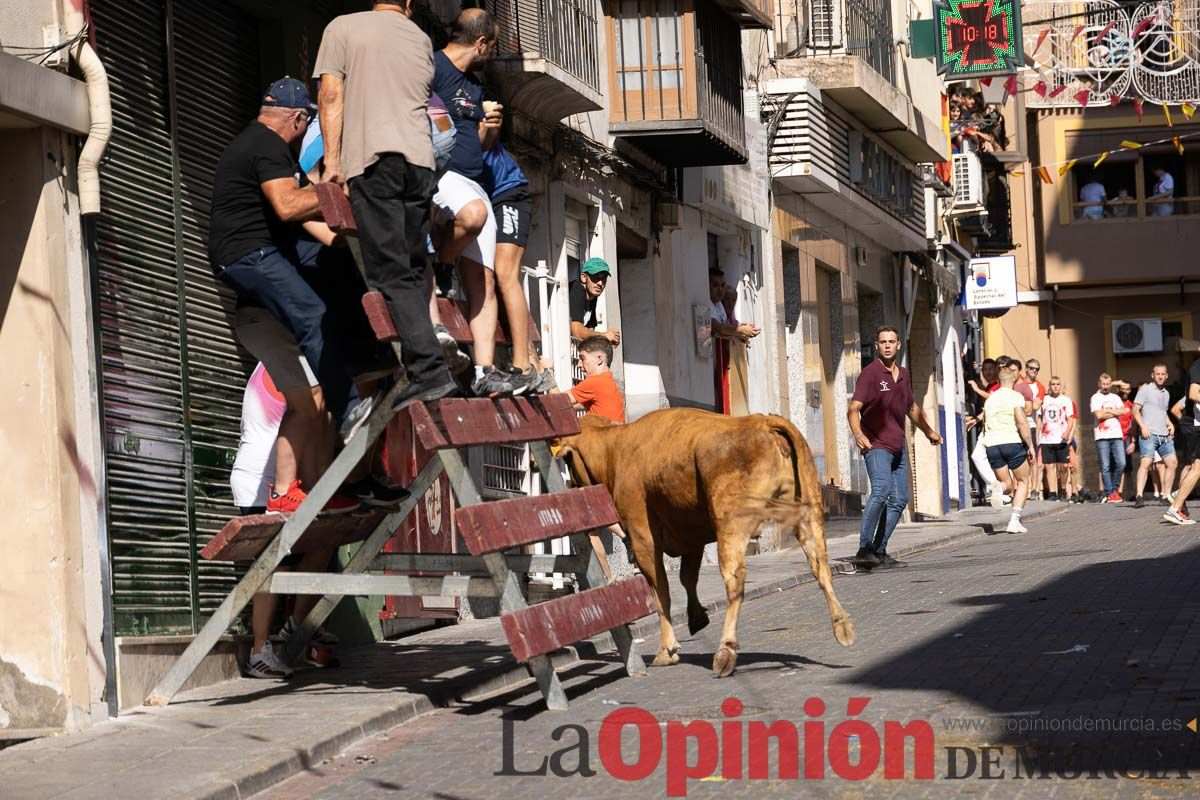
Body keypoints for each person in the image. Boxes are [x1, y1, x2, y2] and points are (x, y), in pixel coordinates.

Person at [210, 77, 380, 515]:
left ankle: (343, 474)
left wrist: (350, 232)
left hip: (257, 254)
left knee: (313, 384)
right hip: (250, 254)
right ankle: (353, 406)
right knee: (312, 311)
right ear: (298, 118)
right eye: (305, 126)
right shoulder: (266, 144)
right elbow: (289, 206)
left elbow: (318, 226)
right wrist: (339, 191)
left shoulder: (268, 147)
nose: (304, 135)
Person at [315, 0, 458, 411]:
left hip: (376, 159)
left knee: (390, 270)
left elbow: (330, 93)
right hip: (420, 162)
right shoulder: (420, 38)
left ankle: (429, 371)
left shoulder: (342, 27)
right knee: (411, 265)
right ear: (409, 4)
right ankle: (419, 366)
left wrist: (333, 161)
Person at [427, 8, 519, 397]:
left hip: (473, 177)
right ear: (480, 43)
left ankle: (484, 371)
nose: (491, 54)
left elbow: (478, 148)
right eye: (492, 47)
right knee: (474, 215)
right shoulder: (433, 67)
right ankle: (442, 264)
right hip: (442, 176)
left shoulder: (475, 86)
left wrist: (488, 132)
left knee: (485, 278)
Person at [231, 362, 342, 679]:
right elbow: (311, 427)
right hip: (258, 483)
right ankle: (258, 652)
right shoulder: (289, 366)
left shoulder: (285, 361)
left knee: (319, 546)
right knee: (271, 566)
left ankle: (298, 625)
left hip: (272, 482)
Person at [848, 326, 943, 569]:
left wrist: (929, 431)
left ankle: (879, 551)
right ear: (877, 345)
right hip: (876, 444)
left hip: (897, 446)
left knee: (900, 499)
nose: (888, 345)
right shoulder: (869, 374)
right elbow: (853, 409)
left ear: (899, 345)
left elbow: (911, 408)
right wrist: (858, 434)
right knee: (881, 491)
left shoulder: (903, 374)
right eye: (883, 342)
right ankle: (863, 549)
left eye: (892, 341)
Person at [482, 142, 554, 392]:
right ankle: (531, 366)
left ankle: (526, 366)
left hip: (507, 194)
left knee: (504, 273)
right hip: (483, 197)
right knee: (485, 277)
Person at [974, 365, 1036, 533]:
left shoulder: (990, 399)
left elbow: (985, 426)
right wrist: (1030, 445)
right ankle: (1014, 521)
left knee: (1007, 485)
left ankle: (999, 489)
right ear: (1013, 379)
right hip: (1012, 442)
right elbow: (1022, 422)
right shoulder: (1016, 396)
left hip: (992, 445)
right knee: (1023, 481)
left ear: (999, 381)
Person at [1133, 364, 1177, 508]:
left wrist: (1170, 423)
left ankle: (1165, 495)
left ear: (1166, 376)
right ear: (1152, 375)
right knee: (1146, 463)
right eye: (1157, 374)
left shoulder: (1166, 393)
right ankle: (1139, 496)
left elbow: (1162, 413)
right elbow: (1135, 410)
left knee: (1172, 463)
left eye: (1162, 374)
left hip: (1164, 435)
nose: (1160, 376)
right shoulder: (1145, 390)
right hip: (1149, 434)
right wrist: (1143, 427)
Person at [1164, 357, 1200, 525]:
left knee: (1195, 468)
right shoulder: (1198, 366)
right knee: (1196, 468)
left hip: (1194, 425)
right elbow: (1193, 394)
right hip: (1194, 426)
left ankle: (1177, 497)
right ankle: (1175, 506)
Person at [567, 336, 625, 423]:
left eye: (583, 359)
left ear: (599, 359)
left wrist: (545, 372)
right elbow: (572, 406)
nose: (579, 364)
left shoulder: (595, 382)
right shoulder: (608, 381)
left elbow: (557, 401)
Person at [1038, 376, 1077, 502]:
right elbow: (1039, 419)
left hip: (1061, 438)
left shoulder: (1066, 400)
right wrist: (1038, 436)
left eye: (1057, 384)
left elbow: (1071, 419)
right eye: (1053, 384)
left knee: (1064, 467)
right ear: (1049, 386)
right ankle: (1053, 492)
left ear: (1061, 386)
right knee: (1049, 466)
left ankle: (1063, 488)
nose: (1055, 386)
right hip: (1047, 438)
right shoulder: (1044, 400)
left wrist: (1067, 432)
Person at [1091, 373, 1127, 503]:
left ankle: (1115, 489)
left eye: (1108, 384)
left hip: (1116, 435)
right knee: (1105, 466)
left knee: (1121, 463)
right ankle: (1110, 492)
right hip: (1102, 436)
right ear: (1099, 384)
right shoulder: (1095, 398)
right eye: (1103, 384)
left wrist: (1108, 412)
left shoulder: (1116, 397)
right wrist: (1115, 412)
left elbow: (1123, 411)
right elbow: (1099, 415)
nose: (1105, 387)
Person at [570, 257, 620, 343]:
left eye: (603, 278)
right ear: (584, 277)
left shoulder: (592, 296)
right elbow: (576, 332)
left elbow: (590, 330)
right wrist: (603, 336)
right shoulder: (577, 289)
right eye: (595, 277)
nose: (600, 283)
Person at [1015, 359, 1045, 498]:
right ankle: (1018, 488)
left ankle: (1034, 489)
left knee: (1032, 458)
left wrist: (1025, 405)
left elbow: (1034, 407)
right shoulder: (1018, 383)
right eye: (1032, 368)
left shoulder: (1040, 387)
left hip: (1030, 424)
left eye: (1037, 369)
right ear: (1026, 368)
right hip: (1016, 424)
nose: (1034, 371)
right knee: (1016, 458)